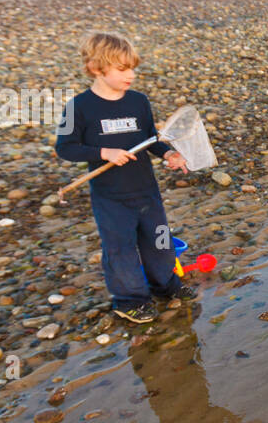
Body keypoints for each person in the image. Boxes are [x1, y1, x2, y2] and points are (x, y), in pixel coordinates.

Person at [54, 31, 195, 323]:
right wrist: (104, 152)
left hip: (145, 188)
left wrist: (168, 154)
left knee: (159, 241)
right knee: (120, 248)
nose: (131, 74)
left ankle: (166, 286)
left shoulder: (138, 101)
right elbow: (65, 148)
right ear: (96, 68)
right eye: (122, 69)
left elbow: (150, 139)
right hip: (111, 196)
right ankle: (129, 300)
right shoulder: (78, 107)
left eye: (132, 67)